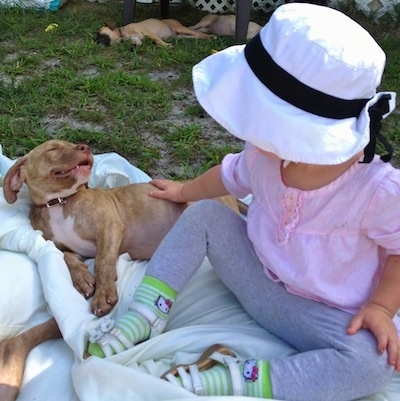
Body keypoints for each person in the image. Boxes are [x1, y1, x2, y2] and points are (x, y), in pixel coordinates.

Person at [87, 3, 400, 400]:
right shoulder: (266, 153)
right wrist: (184, 192)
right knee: (204, 214)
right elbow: (229, 175)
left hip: (327, 316)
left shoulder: (378, 190)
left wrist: (381, 309)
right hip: (258, 279)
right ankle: (145, 315)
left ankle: (238, 377)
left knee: (372, 364)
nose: (262, 140)